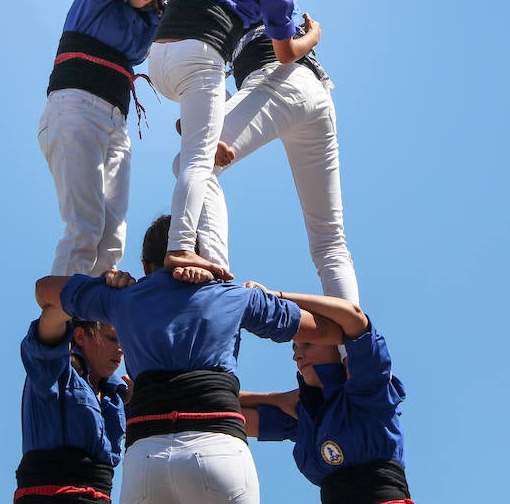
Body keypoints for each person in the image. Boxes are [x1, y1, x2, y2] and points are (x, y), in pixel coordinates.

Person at [35, 215, 346, 504]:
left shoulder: (121, 298)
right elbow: (332, 331)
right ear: (200, 257)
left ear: (145, 265)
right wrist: (273, 296)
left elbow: (43, 289)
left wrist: (105, 283)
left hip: (146, 458)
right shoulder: (234, 296)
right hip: (217, 449)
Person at [120, 0, 319, 275]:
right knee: (198, 160)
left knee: (204, 137)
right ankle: (181, 248)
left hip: (159, 60)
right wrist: (312, 37)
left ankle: (213, 129)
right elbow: (284, 54)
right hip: (201, 57)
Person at [41, 0, 180, 276]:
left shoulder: (148, 21)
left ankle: (98, 308)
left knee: (112, 236)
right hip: (76, 108)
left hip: (115, 121)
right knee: (85, 226)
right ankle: (63, 307)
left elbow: (185, 1)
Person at [196, 15, 359, 303]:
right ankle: (351, 330)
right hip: (310, 93)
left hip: (278, 79)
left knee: (194, 164)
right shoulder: (229, 11)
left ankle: (217, 281)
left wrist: (313, 36)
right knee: (329, 241)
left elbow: (284, 53)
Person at [239, 290, 412, 504]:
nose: (296, 355)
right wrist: (276, 399)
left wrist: (274, 296)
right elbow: (224, 413)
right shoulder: (307, 414)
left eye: (307, 344)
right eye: (294, 348)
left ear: (337, 345)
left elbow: (353, 316)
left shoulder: (368, 388)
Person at [17, 293, 129, 503]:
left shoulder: (118, 395)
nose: (121, 349)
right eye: (112, 338)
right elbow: (50, 319)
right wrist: (91, 291)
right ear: (80, 336)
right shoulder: (53, 371)